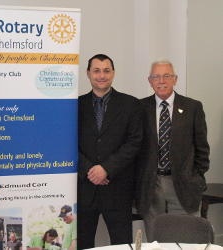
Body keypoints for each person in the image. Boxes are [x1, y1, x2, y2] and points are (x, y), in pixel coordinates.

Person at [135, 59, 210, 241]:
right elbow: (134, 147)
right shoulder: (139, 108)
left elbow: (202, 149)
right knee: (154, 240)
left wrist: (195, 176)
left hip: (184, 183)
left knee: (185, 238)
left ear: (175, 79)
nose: (162, 81)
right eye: (156, 76)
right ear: (150, 81)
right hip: (151, 185)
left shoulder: (193, 107)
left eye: (167, 76)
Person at [78, 54, 143, 248]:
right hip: (84, 189)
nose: (101, 75)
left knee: (122, 244)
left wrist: (106, 168)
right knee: (83, 243)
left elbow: (134, 142)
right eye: (96, 70)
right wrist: (91, 170)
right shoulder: (74, 105)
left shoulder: (131, 105)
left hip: (118, 189)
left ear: (113, 73)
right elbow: (66, 144)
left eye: (106, 70)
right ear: (88, 74)